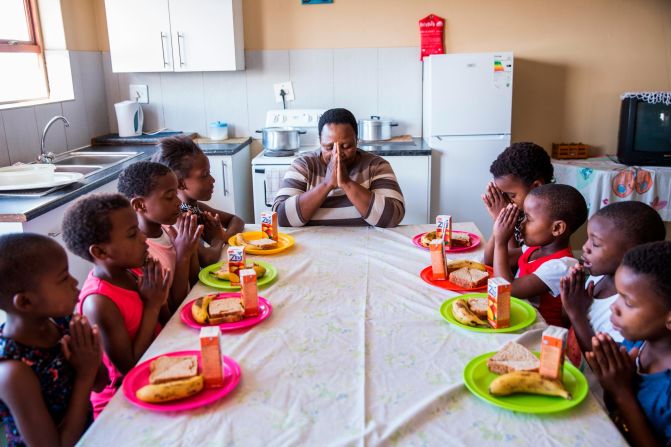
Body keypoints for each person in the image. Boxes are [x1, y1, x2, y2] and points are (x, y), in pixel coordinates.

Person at [62, 193, 169, 418]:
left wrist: (160, 299)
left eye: (138, 230)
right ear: (100, 252)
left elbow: (165, 325)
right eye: (132, 234)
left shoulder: (134, 270)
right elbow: (129, 370)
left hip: (157, 366)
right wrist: (152, 305)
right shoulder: (99, 302)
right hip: (120, 403)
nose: (143, 238)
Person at [0, 233, 105, 446]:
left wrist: (92, 357)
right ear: (26, 302)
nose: (75, 281)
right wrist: (84, 374)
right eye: (63, 278)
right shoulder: (13, 372)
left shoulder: (62, 323)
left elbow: (100, 382)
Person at [586, 241, 671, 446]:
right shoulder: (638, 344)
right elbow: (613, 409)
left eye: (628, 302)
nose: (614, 307)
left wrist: (621, 391)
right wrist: (611, 382)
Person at [560, 201, 666, 359]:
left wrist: (577, 314)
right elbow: (566, 320)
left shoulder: (628, 308)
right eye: (588, 238)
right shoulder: (597, 276)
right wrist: (570, 298)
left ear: (631, 253)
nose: (585, 247)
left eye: (595, 244)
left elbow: (606, 363)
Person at [272, 108, 405, 227]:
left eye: (346, 146)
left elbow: (393, 217)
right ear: (320, 142)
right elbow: (281, 217)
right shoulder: (304, 165)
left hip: (365, 246)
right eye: (329, 147)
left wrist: (346, 183)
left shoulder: (376, 165)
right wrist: (327, 184)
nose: (338, 154)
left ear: (356, 140)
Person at [492, 183, 587, 327]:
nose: (522, 224)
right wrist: (498, 223)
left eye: (528, 219)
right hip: (518, 315)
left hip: (539, 330)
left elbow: (507, 289)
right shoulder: (535, 247)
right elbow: (491, 260)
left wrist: (500, 242)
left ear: (557, 228)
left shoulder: (563, 265)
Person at [118, 161, 202, 312]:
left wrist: (192, 249)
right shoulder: (142, 253)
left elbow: (196, 282)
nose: (179, 203)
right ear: (139, 205)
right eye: (169, 197)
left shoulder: (169, 229)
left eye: (176, 194)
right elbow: (175, 308)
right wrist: (183, 254)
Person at [152, 136, 245, 265]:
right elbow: (206, 258)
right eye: (205, 175)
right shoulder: (179, 217)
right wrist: (217, 240)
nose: (212, 180)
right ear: (181, 183)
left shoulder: (195, 207)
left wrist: (225, 236)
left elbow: (236, 220)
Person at [482, 142, 554, 266]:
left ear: (536, 186)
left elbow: (507, 263)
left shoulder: (545, 222)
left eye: (511, 195)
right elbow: (488, 261)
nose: (507, 201)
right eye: (503, 194)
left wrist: (502, 218)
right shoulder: (521, 211)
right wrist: (499, 220)